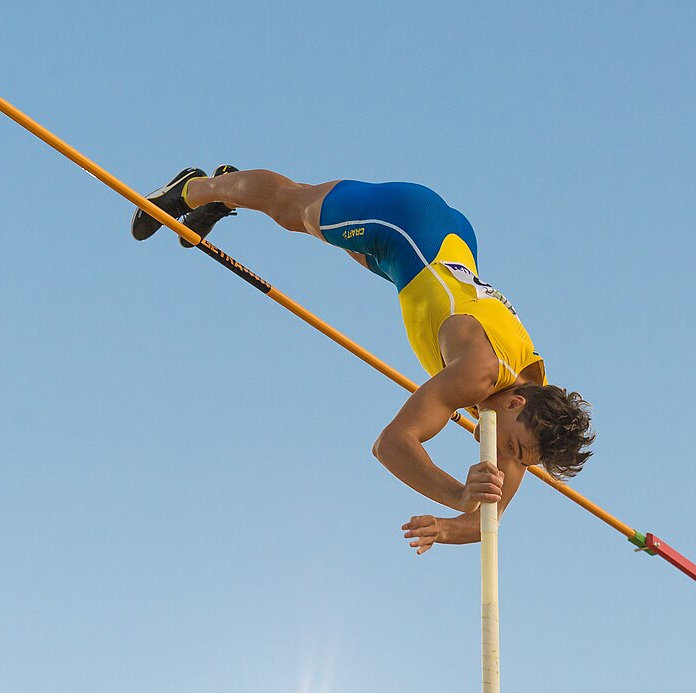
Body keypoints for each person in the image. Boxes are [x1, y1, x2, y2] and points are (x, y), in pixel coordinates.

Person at [131, 166, 595, 554]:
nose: (502, 459)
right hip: (407, 222)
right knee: (292, 208)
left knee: (325, 227)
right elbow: (392, 444)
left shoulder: (528, 414)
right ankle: (195, 187)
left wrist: (448, 525)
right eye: (510, 450)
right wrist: (457, 493)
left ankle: (228, 191)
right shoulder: (479, 374)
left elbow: (483, 522)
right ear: (516, 406)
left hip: (442, 250)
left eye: (518, 459)